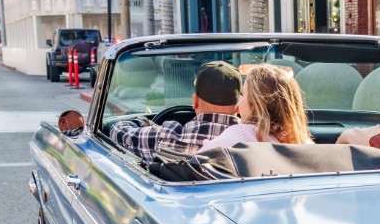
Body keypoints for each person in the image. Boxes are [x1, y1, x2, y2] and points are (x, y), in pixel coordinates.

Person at [108, 60, 241, 161]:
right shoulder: (254, 139)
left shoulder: (167, 136)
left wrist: (144, 124)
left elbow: (117, 132)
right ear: (239, 106)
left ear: (195, 102)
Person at [202, 63, 313, 150]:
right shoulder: (305, 143)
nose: (238, 105)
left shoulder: (241, 134)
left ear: (255, 103)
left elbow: (199, 162)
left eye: (242, 94)